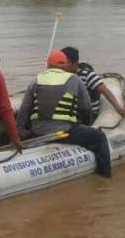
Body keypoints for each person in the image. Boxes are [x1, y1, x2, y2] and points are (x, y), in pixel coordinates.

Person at [16, 49, 112, 178]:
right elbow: (86, 108)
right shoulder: (75, 79)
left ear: (48, 64)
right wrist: (86, 125)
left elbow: (24, 109)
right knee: (99, 137)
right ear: (65, 65)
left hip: (37, 131)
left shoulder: (36, 80)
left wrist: (20, 130)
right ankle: (105, 177)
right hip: (64, 132)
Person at [61, 46, 125, 123]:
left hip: (87, 114)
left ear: (75, 63)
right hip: (70, 113)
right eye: (61, 62)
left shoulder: (87, 75)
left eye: (66, 62)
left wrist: (118, 108)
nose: (63, 65)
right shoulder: (61, 75)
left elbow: (105, 90)